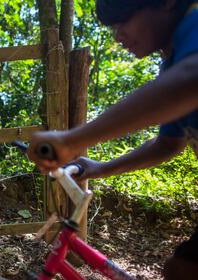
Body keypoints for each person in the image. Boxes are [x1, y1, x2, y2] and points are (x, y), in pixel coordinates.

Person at [27, 0, 198, 278]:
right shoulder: (172, 63)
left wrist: (71, 140)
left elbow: (192, 80)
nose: (118, 35)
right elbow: (169, 144)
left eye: (124, 21)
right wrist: (100, 167)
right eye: (112, 28)